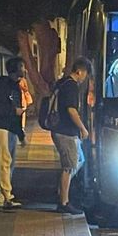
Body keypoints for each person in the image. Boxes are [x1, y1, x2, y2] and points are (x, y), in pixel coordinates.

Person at [51, 58, 92, 216]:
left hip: (66, 132)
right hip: (65, 132)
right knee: (69, 167)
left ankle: (62, 192)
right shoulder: (71, 86)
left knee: (78, 161)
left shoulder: (64, 83)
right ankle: (64, 202)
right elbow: (71, 110)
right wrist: (83, 127)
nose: (85, 78)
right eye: (85, 74)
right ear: (80, 71)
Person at [0, 57, 27, 209]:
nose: (24, 68)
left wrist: (20, 134)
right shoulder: (3, 85)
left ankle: (1, 197)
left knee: (8, 162)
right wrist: (13, 111)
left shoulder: (15, 87)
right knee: (4, 162)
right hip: (1, 127)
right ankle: (7, 196)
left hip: (10, 128)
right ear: (15, 68)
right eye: (22, 66)